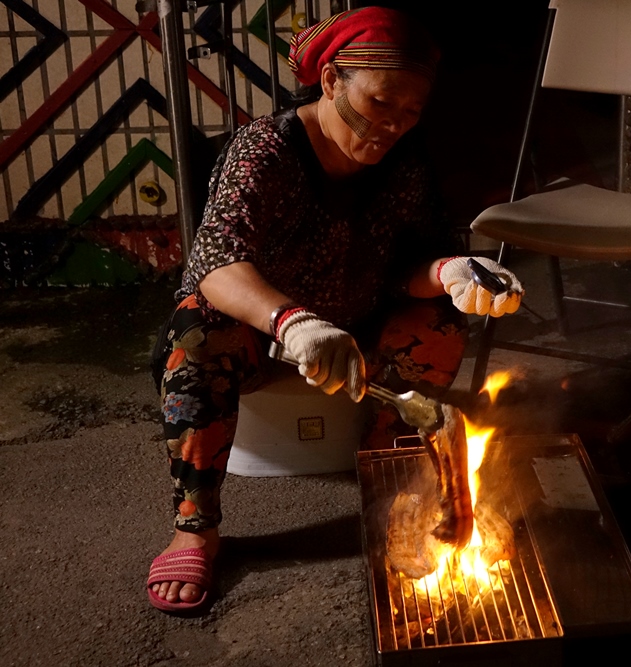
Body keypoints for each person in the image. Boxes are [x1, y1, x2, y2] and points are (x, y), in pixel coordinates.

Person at [146, 7, 523, 613]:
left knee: (442, 324)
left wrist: (453, 273)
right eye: (380, 103)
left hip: (363, 320)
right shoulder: (266, 150)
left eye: (410, 112)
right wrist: (293, 322)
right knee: (195, 333)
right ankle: (196, 528)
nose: (394, 125)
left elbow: (416, 262)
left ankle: (389, 472)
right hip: (265, 329)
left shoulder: (403, 159)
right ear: (330, 82)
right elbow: (216, 262)